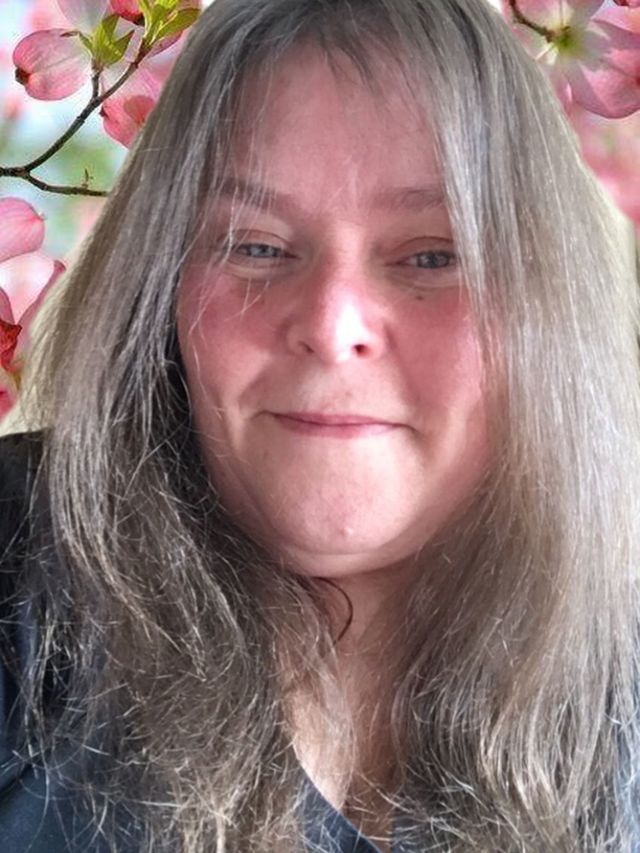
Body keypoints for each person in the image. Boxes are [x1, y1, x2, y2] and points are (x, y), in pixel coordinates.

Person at [1, 0, 639, 850]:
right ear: (162, 284)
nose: (332, 326)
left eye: (432, 255)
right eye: (256, 245)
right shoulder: (20, 571)